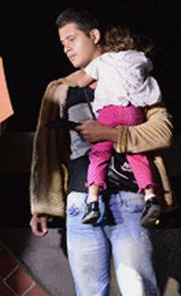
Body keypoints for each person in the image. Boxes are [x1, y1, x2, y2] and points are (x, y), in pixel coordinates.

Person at [29, 8, 177, 296]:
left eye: (72, 40)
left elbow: (163, 130)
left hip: (130, 199)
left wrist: (111, 134)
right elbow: (45, 152)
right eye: (62, 44)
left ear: (94, 35)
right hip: (80, 202)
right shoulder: (60, 89)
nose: (67, 49)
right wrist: (41, 203)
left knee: (139, 294)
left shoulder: (132, 74)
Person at [64, 26, 163, 226]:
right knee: (137, 155)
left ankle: (92, 201)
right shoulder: (140, 58)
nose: (66, 48)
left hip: (109, 111)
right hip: (132, 111)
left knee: (99, 154)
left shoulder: (103, 60)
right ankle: (150, 196)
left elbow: (82, 81)